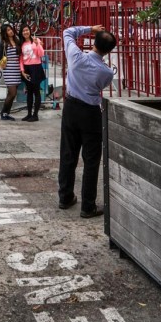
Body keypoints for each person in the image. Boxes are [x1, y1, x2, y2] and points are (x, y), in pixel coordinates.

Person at [58, 25, 117, 218]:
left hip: (71, 107)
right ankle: (88, 205)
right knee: (91, 160)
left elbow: (67, 32)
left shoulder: (76, 57)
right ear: (109, 51)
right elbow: (101, 86)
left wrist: (89, 28)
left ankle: (65, 197)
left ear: (93, 42)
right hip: (91, 112)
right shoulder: (106, 73)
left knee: (68, 154)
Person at [19, 24, 46, 122]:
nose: (25, 32)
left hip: (36, 68)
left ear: (30, 31)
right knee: (29, 92)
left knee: (36, 92)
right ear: (21, 33)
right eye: (23, 31)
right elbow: (21, 59)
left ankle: (35, 115)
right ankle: (29, 114)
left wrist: (37, 44)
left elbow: (41, 54)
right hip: (27, 69)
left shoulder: (36, 40)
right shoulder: (21, 44)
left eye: (26, 30)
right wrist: (22, 71)